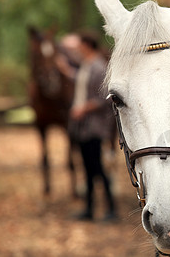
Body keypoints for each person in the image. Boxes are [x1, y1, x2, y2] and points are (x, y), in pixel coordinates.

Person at [69, 32, 117, 221]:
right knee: (88, 169)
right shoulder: (86, 66)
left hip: (94, 127)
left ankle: (111, 209)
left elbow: (105, 97)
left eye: (79, 45)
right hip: (83, 127)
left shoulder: (98, 67)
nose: (77, 49)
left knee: (98, 168)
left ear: (87, 45)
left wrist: (84, 108)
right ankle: (89, 208)